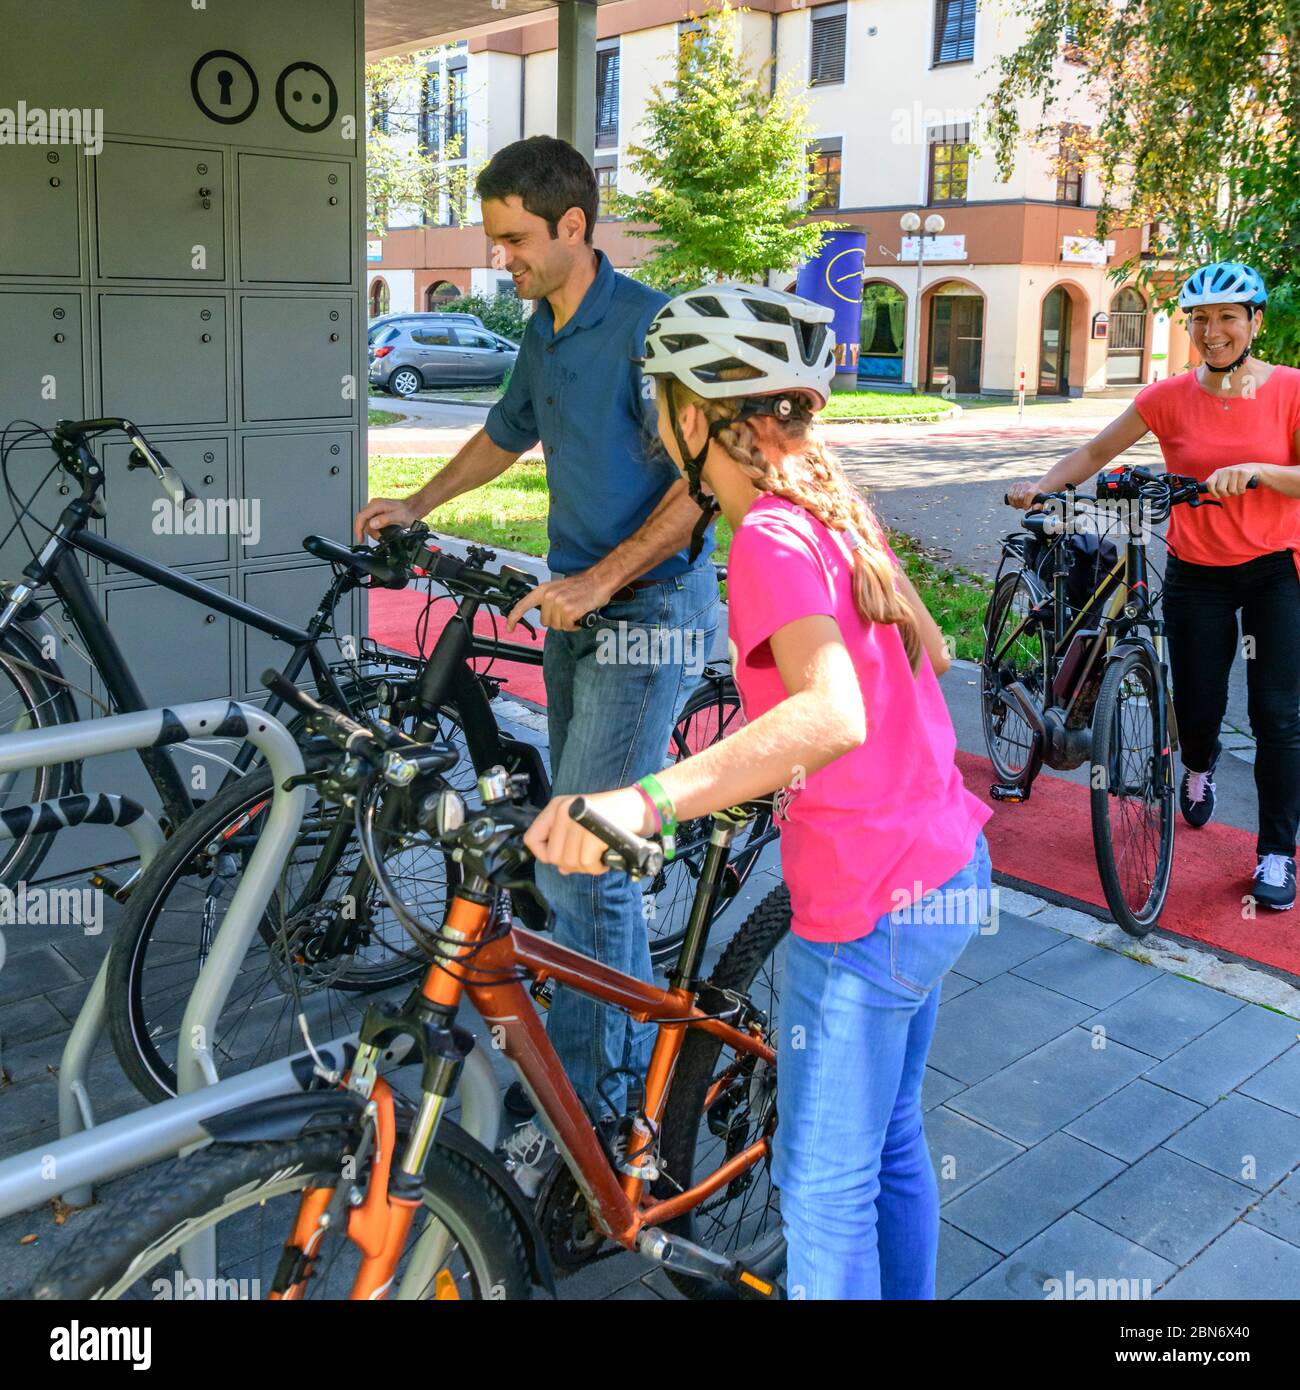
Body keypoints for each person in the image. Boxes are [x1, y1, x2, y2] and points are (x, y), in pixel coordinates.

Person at [524, 284, 992, 1298]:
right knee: (892, 1138)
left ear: (692, 419)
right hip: (948, 866)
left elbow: (830, 714)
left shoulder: (768, 539)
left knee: (820, 1191)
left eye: (659, 403)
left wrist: (639, 803)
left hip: (869, 902)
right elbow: (928, 650)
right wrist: (752, 760)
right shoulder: (827, 509)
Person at [355, 136, 720, 1188]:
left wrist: (603, 582)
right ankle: (613, 1060)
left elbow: (698, 487)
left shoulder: (652, 326)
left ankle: (607, 1121)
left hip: (643, 606)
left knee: (583, 855)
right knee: (578, 840)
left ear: (573, 227)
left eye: (514, 238)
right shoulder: (540, 323)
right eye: (495, 238)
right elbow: (504, 434)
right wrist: (417, 503)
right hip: (574, 605)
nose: (499, 257)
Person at [1007, 262, 1300, 911]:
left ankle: (1278, 851)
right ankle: (1198, 765)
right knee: (1196, 710)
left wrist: (1258, 471)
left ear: (1255, 321)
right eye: (1200, 319)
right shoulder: (1166, 397)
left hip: (1276, 569)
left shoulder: (1289, 390)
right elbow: (1091, 453)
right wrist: (1041, 487)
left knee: (1277, 715)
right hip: (1197, 573)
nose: (1212, 331)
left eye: (1227, 317)